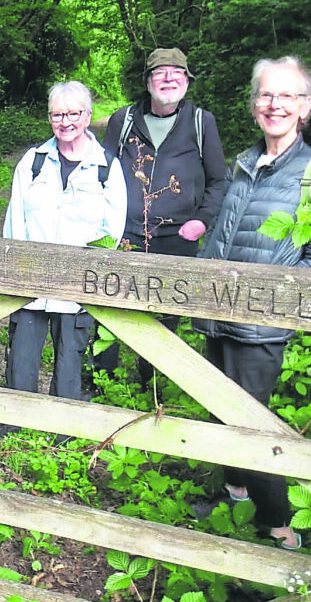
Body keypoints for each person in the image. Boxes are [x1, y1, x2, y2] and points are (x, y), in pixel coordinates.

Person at [194, 56, 311, 550]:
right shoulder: (242, 161)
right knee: (220, 410)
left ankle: (279, 525)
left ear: (306, 108)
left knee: (251, 422)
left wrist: (268, 300)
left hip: (262, 323)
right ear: (254, 104)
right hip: (218, 310)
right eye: (265, 95)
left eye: (286, 96)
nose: (274, 104)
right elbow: (221, 233)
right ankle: (235, 493)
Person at [97, 47, 227, 378]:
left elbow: (218, 181)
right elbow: (100, 173)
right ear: (148, 81)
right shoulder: (122, 120)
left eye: (177, 73)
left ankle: (150, 383)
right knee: (108, 304)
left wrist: (202, 221)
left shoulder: (201, 123)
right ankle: (100, 379)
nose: (169, 79)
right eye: (160, 73)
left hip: (176, 238)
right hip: (123, 234)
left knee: (165, 313)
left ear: (187, 80)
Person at [2, 82, 126, 418]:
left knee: (70, 359)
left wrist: (91, 276)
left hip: (78, 285)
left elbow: (111, 231)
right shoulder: (33, 162)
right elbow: (15, 222)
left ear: (87, 116)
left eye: (73, 113)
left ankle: (64, 430)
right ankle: (18, 425)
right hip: (31, 281)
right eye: (58, 114)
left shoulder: (106, 167)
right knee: (22, 358)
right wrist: (18, 272)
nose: (65, 121)